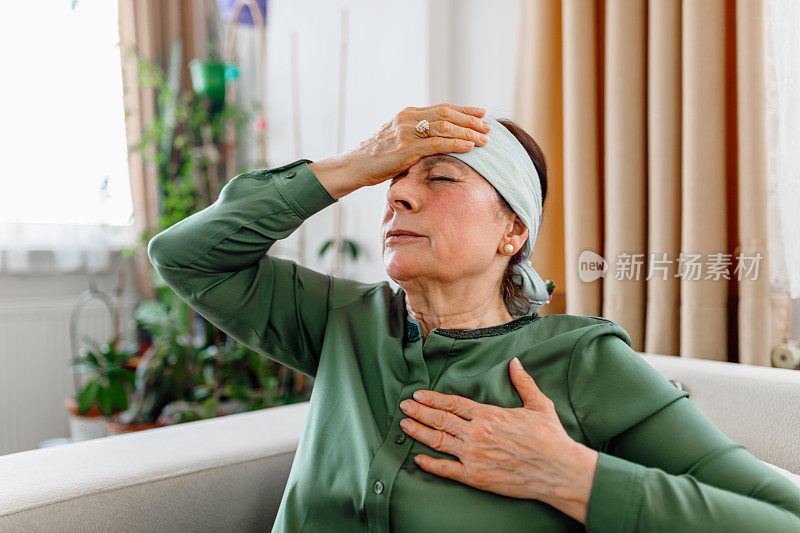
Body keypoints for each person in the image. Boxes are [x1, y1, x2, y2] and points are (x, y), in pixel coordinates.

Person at [147, 103, 800, 532]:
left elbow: (782, 517)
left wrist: (567, 475)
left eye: (440, 179)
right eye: (393, 178)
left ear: (511, 230)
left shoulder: (581, 362)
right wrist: (355, 165)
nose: (398, 193)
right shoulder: (343, 320)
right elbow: (187, 257)